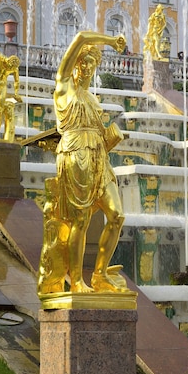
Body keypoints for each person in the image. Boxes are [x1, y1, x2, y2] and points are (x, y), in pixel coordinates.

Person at [53, 30, 129, 293]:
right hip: (76, 156)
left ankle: (100, 275)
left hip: (100, 160)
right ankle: (76, 281)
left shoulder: (93, 100)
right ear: (74, 65)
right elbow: (81, 37)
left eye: (92, 64)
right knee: (81, 221)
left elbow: (98, 135)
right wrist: (109, 42)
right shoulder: (63, 86)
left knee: (117, 215)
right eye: (83, 62)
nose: (86, 68)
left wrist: (111, 138)